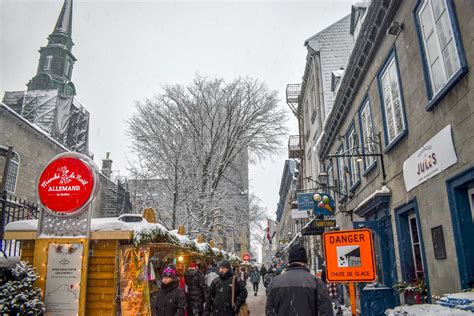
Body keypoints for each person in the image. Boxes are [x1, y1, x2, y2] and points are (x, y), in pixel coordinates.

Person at [266, 244, 333, 316]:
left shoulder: (275, 283)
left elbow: (270, 311)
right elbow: (326, 311)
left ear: (289, 261)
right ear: (305, 261)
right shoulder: (316, 283)